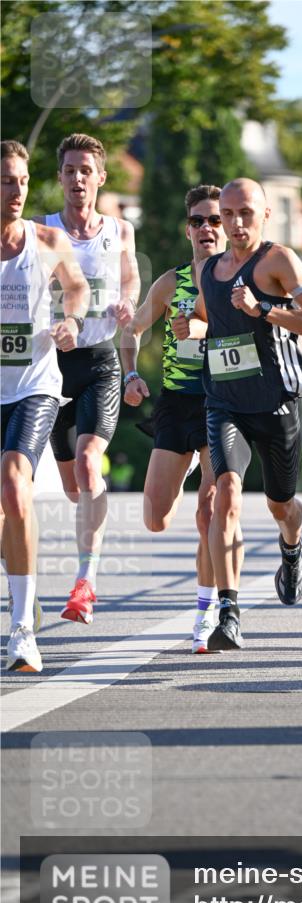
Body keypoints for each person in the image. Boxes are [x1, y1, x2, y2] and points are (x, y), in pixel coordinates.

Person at [173, 178, 302, 651]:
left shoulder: (278, 260)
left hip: (275, 402)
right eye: (227, 214)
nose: (235, 223)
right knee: (225, 493)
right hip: (224, 402)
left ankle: (292, 548)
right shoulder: (210, 270)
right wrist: (190, 326)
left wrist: (264, 310)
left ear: (265, 215)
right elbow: (207, 316)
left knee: (282, 505)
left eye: (246, 213)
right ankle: (229, 612)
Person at [35, 133, 140, 625]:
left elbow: (132, 277)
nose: (77, 178)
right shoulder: (42, 230)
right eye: (70, 169)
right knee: (74, 485)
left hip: (98, 360)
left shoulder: (119, 230)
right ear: (60, 178)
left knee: (87, 460)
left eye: (86, 170)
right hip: (54, 367)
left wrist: (127, 302)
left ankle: (85, 582)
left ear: (100, 178)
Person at [121, 184, 224, 653]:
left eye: (215, 221)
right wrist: (130, 375)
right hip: (174, 403)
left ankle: (206, 614)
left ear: (228, 228)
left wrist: (205, 326)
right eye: (199, 221)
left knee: (209, 513)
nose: (207, 228)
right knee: (156, 519)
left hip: (221, 402)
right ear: (188, 230)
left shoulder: (237, 282)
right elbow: (133, 329)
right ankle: (184, 472)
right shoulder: (170, 282)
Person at [1, 139, 90, 671]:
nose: (16, 191)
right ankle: (22, 584)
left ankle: (21, 631)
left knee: (15, 482)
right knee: (6, 512)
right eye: (6, 181)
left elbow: (76, 287)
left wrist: (71, 320)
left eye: (22, 181)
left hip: (34, 385)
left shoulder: (48, 239)